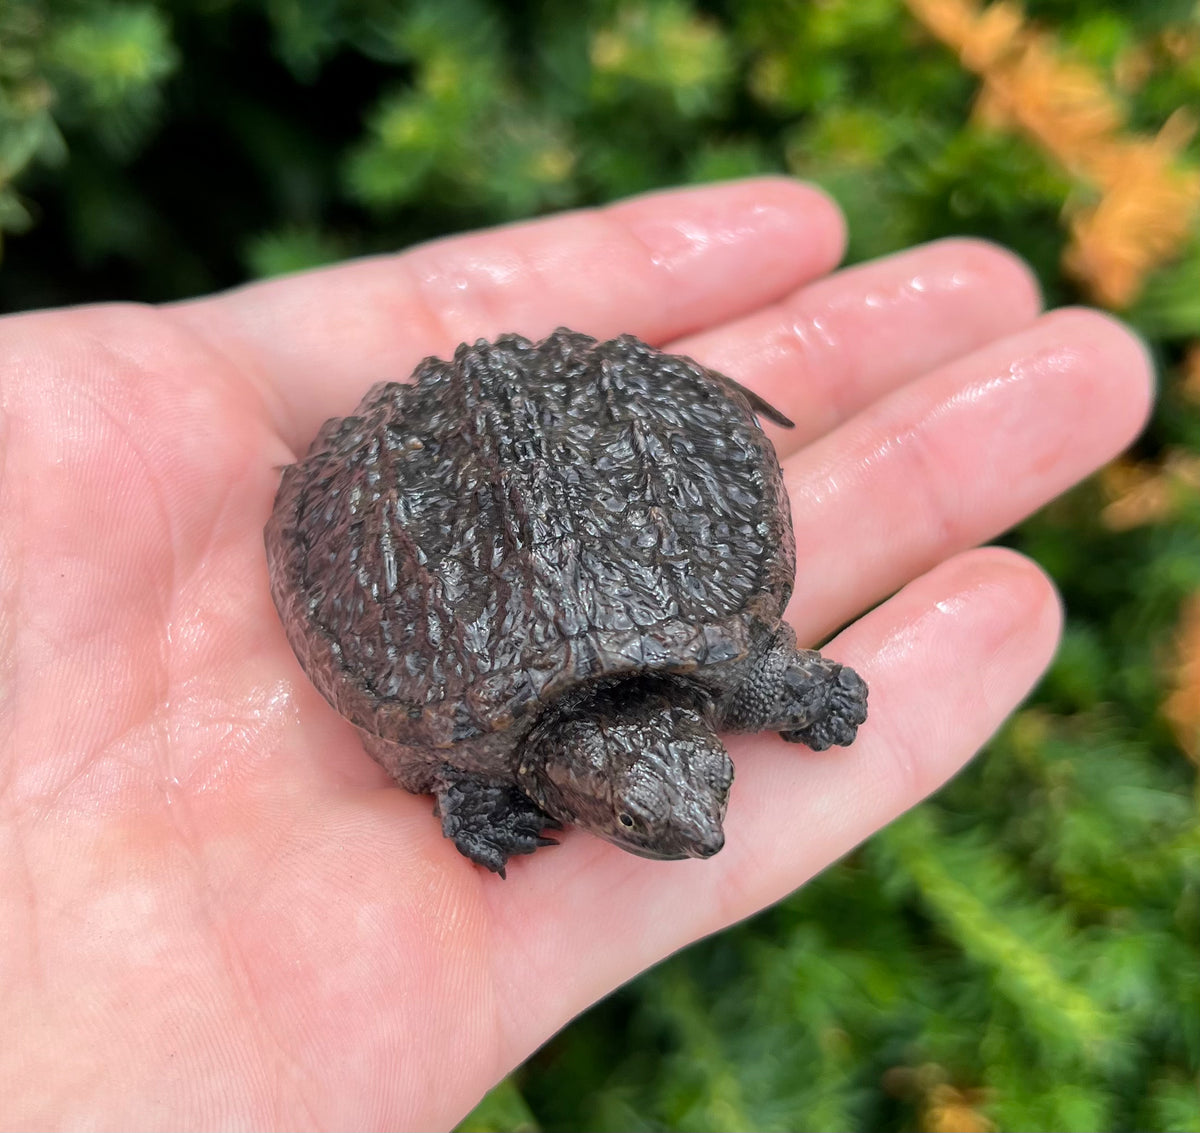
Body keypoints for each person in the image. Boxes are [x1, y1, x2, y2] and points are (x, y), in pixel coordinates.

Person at [0, 178, 1151, 1130]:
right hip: (411, 465)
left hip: (554, 428)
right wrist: (468, 795)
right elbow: (464, 766)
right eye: (661, 818)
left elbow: (777, 679)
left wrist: (802, 689)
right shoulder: (471, 733)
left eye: (689, 799)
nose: (699, 833)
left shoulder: (711, 674)